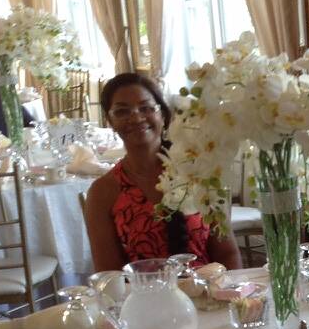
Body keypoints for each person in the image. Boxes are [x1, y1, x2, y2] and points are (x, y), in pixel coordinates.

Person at [84, 73, 241, 272]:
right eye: (122, 111)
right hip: (142, 291)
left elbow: (228, 253)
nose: (136, 117)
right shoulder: (103, 192)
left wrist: (230, 290)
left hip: (207, 288)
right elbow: (110, 275)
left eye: (146, 108)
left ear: (163, 115)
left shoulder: (198, 173)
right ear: (110, 121)